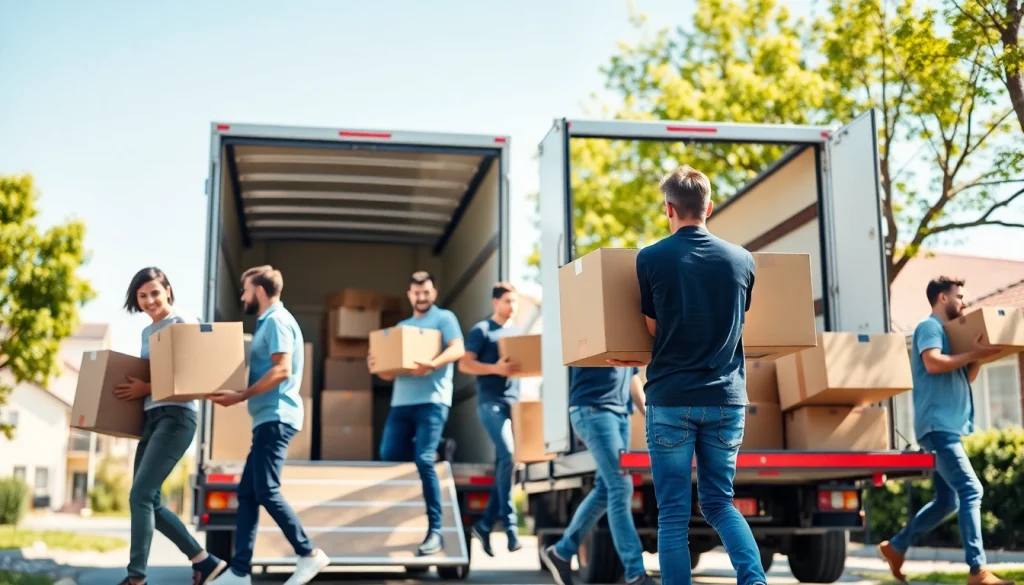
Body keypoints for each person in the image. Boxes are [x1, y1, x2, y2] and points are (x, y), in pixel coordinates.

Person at [633, 166, 766, 585]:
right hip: (726, 399)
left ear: (668, 209)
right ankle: (754, 581)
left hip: (671, 398)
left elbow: (653, 327)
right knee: (720, 503)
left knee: (673, 513)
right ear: (709, 207)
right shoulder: (742, 260)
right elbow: (738, 321)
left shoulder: (650, 258)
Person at [878, 277, 1009, 585]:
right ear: (942, 298)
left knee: (947, 501)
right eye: (959, 296)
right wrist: (974, 354)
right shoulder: (929, 327)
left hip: (947, 426)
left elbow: (966, 376)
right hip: (938, 427)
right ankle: (977, 570)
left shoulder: (951, 334)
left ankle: (896, 546)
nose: (964, 302)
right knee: (971, 490)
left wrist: (979, 355)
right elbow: (934, 364)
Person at [209, 265, 329, 585]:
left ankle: (308, 553)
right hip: (267, 418)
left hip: (277, 417)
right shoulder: (268, 322)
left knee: (266, 490)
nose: (242, 296)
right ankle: (239, 571)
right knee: (248, 493)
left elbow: (282, 369)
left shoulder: (276, 320)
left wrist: (240, 395)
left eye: (246, 290)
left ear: (259, 291)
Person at [113, 267, 227, 585]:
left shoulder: (182, 321)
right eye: (142, 296)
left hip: (177, 417)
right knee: (148, 499)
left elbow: (191, 373)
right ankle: (204, 561)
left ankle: (136, 577)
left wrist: (145, 388)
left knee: (141, 494)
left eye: (154, 293)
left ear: (168, 290)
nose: (150, 300)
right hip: (152, 418)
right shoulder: (146, 332)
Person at [369, 271, 465, 556]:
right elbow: (388, 372)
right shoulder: (402, 327)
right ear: (409, 295)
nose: (421, 297)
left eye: (426, 293)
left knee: (423, 460)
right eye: (416, 293)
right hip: (401, 403)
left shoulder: (444, 318)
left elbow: (458, 349)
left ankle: (435, 531)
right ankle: (439, 446)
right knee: (389, 453)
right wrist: (376, 364)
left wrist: (433, 364)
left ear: (433, 293)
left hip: (433, 401)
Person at [540, 366, 653, 585]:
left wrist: (647, 413)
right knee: (621, 486)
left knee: (605, 489)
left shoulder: (625, 345)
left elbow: (632, 377)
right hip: (594, 410)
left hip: (621, 414)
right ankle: (635, 572)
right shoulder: (594, 341)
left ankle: (561, 552)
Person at [458, 281, 523, 556]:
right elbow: (464, 363)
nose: (513, 306)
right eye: (508, 301)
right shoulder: (482, 330)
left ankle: (485, 525)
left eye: (515, 301)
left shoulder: (517, 332)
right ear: (495, 302)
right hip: (490, 403)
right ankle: (510, 527)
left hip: (514, 404)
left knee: (505, 465)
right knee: (508, 454)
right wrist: (495, 368)